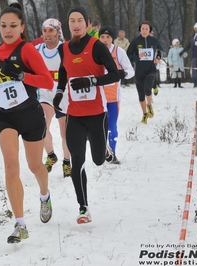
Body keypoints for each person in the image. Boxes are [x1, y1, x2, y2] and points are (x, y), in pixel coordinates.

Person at [0, 2, 53, 244]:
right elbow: (1, 79)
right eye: (3, 26)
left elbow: (47, 82)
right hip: (5, 116)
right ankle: (20, 224)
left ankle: (44, 195)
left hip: (31, 115)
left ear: (22, 27)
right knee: (11, 167)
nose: (7, 30)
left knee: (35, 167)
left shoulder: (28, 50)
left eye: (13, 26)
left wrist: (22, 75)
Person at [53, 7, 119, 224]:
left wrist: (92, 81)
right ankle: (83, 208)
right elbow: (63, 71)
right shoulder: (63, 48)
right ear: (68, 24)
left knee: (98, 161)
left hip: (97, 114)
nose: (76, 24)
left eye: (80, 20)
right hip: (75, 115)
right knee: (77, 161)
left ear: (88, 24)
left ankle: (105, 151)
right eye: (71, 20)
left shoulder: (97, 46)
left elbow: (117, 74)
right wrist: (60, 92)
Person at [35, 18, 71, 178]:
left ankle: (67, 162)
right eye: (45, 31)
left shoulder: (65, 48)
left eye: (51, 31)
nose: (47, 34)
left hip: (63, 93)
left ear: (58, 32)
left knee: (64, 133)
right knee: (41, 127)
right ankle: (51, 155)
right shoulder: (37, 49)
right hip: (45, 92)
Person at [98, 25, 135, 164]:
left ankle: (112, 154)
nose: (105, 40)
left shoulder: (118, 52)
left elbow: (131, 71)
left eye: (108, 37)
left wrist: (122, 73)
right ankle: (102, 153)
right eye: (102, 37)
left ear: (112, 39)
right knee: (99, 128)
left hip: (113, 97)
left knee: (112, 126)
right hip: (97, 97)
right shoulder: (94, 51)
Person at [127, 21, 163, 124]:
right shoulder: (135, 41)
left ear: (149, 30)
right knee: (141, 94)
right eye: (143, 29)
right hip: (139, 70)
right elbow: (128, 56)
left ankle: (149, 105)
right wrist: (137, 57)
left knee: (148, 87)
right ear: (140, 30)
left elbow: (161, 51)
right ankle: (144, 114)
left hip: (151, 68)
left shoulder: (154, 41)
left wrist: (158, 58)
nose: (145, 31)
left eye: (147, 29)